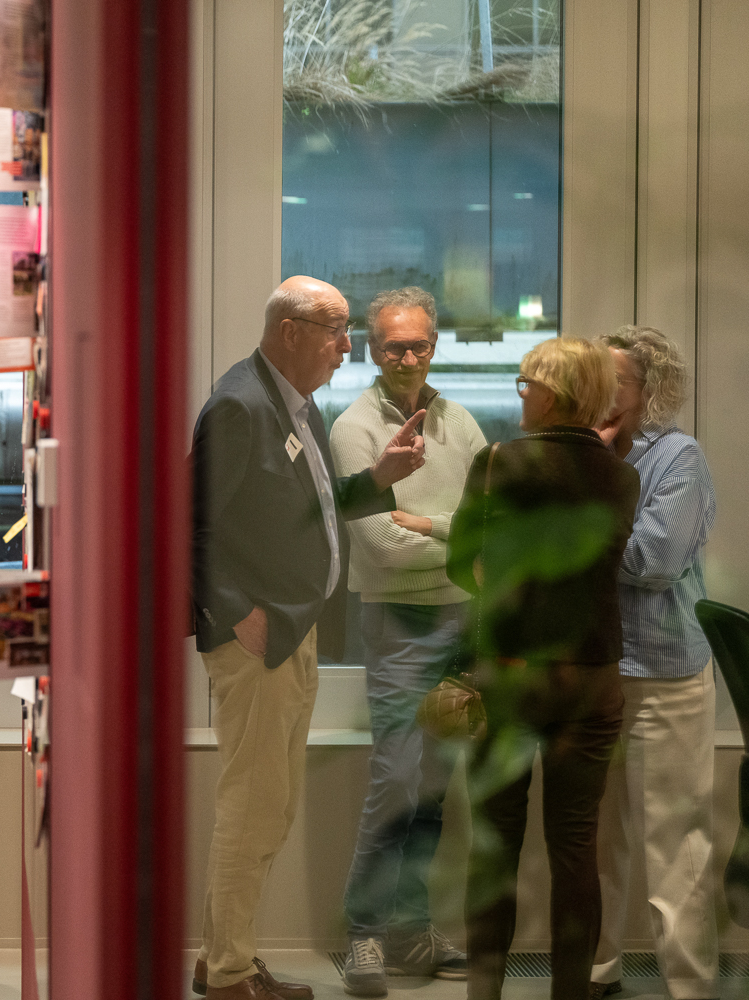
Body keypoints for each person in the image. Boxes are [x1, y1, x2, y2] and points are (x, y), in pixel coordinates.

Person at [191, 275, 428, 1000]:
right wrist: (238, 614)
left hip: (292, 632)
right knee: (253, 807)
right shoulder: (239, 406)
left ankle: (225, 956)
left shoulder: (294, 404)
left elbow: (309, 512)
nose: (346, 347)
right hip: (258, 639)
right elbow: (186, 524)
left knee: (270, 806)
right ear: (289, 333)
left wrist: (379, 477)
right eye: (335, 330)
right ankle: (229, 973)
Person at [447, 336, 639, 1000]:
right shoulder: (622, 476)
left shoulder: (499, 461)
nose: (521, 396)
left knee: (496, 845)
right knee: (575, 848)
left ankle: (484, 994)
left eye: (526, 384)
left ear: (551, 395)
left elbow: (460, 565)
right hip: (592, 677)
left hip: (510, 675)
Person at [329, 288, 484, 994]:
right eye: (393, 346)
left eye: (418, 344)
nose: (407, 357)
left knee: (434, 789)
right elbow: (382, 549)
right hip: (398, 624)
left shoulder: (460, 422)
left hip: (461, 625)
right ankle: (363, 935)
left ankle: (412, 932)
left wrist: (427, 524)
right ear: (371, 348)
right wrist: (460, 542)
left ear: (434, 346)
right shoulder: (354, 429)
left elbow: (493, 523)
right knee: (394, 782)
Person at [589, 327, 718, 1000]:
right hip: (596, 671)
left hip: (665, 675)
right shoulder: (582, 450)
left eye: (615, 380)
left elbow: (653, 561)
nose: (598, 389)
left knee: (677, 845)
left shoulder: (678, 456)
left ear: (652, 390)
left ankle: (690, 985)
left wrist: (576, 525)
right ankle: (597, 972)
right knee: (595, 841)